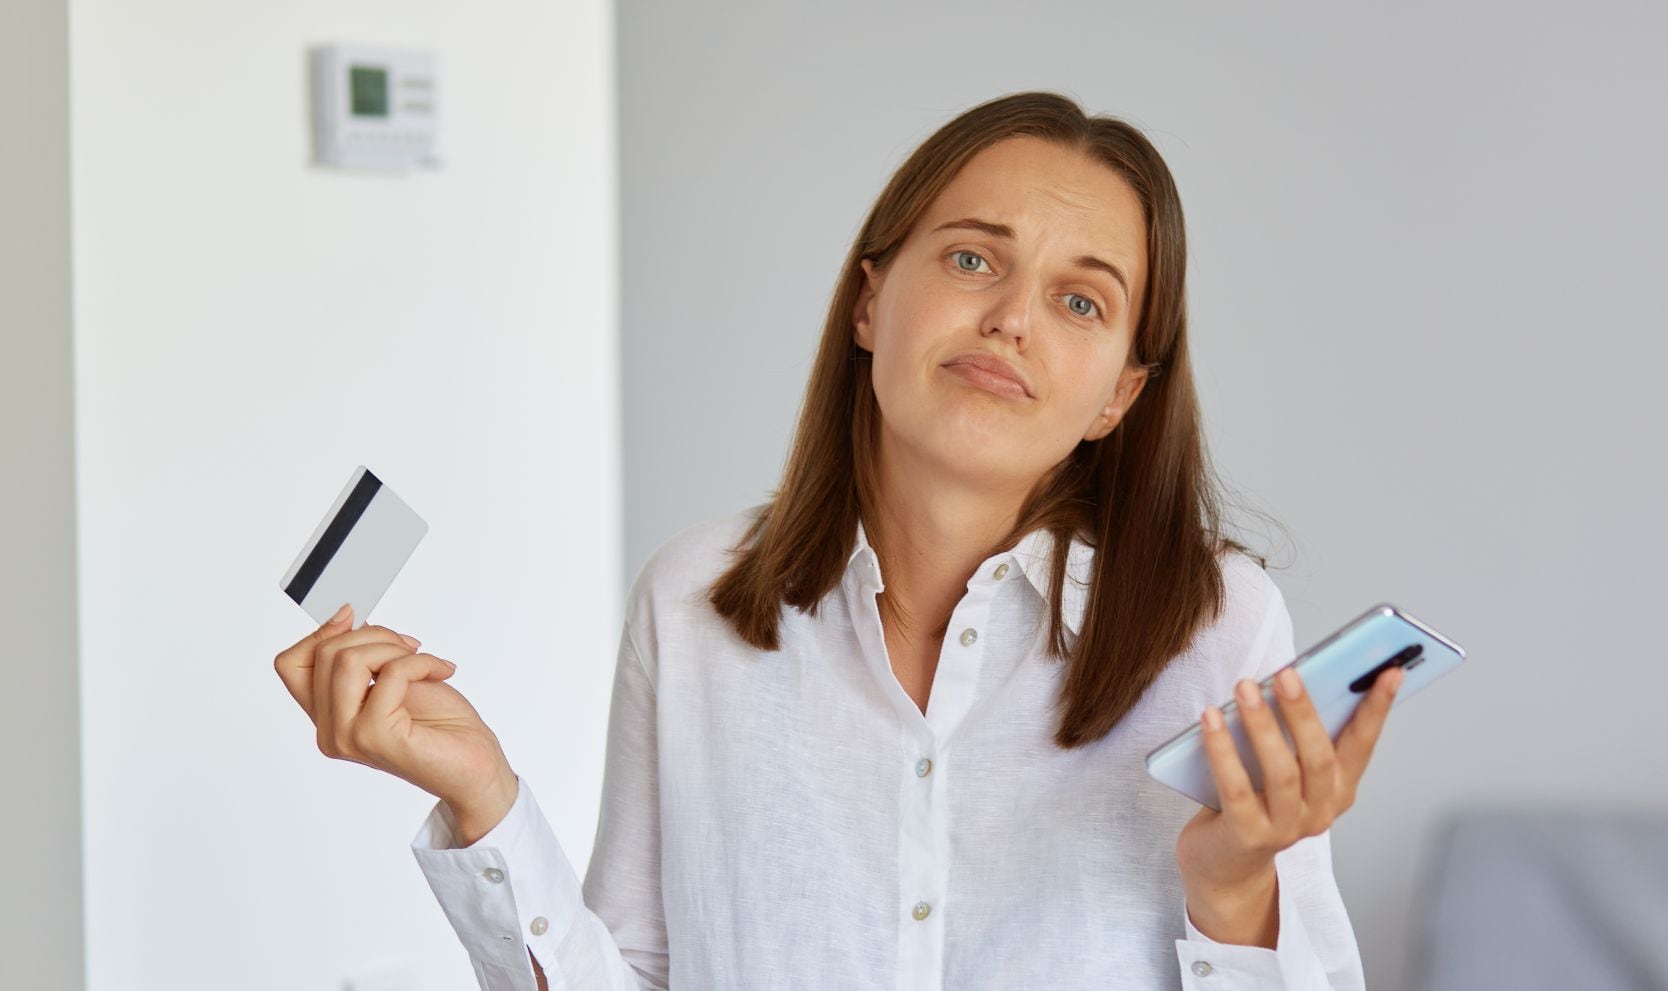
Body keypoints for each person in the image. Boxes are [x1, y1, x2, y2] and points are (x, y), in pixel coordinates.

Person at [274, 90, 1402, 991]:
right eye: (972, 259)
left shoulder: (1217, 625)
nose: (1011, 316)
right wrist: (484, 800)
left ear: (1120, 396)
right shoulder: (694, 602)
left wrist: (1235, 891)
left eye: (1082, 302)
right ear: (870, 303)